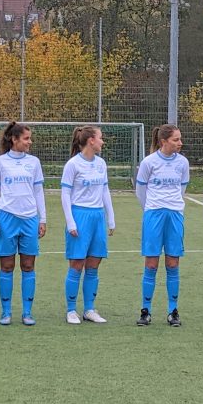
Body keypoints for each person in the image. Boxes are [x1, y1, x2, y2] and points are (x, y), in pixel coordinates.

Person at [0, 122, 47, 326]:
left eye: (30, 138)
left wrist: (43, 218)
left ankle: (27, 312)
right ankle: (6, 312)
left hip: (29, 218)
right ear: (14, 139)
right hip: (6, 218)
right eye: (26, 138)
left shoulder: (34, 162)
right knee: (7, 266)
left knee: (28, 265)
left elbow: (38, 191)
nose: (29, 142)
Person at [135, 124, 190, 327]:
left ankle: (172, 311)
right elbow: (140, 191)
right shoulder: (149, 162)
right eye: (176, 139)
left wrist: (174, 206)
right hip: (153, 215)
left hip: (174, 215)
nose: (180, 143)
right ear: (164, 141)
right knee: (151, 264)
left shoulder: (183, 163)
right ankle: (145, 310)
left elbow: (182, 188)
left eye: (180, 138)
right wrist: (150, 209)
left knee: (173, 263)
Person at [61, 125, 116, 325]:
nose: (103, 141)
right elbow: (65, 194)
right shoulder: (73, 164)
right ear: (91, 141)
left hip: (97, 217)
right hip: (80, 214)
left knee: (94, 264)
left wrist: (110, 218)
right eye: (100, 138)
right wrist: (70, 221)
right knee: (77, 264)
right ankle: (71, 310)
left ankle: (89, 309)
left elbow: (105, 191)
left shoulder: (101, 163)